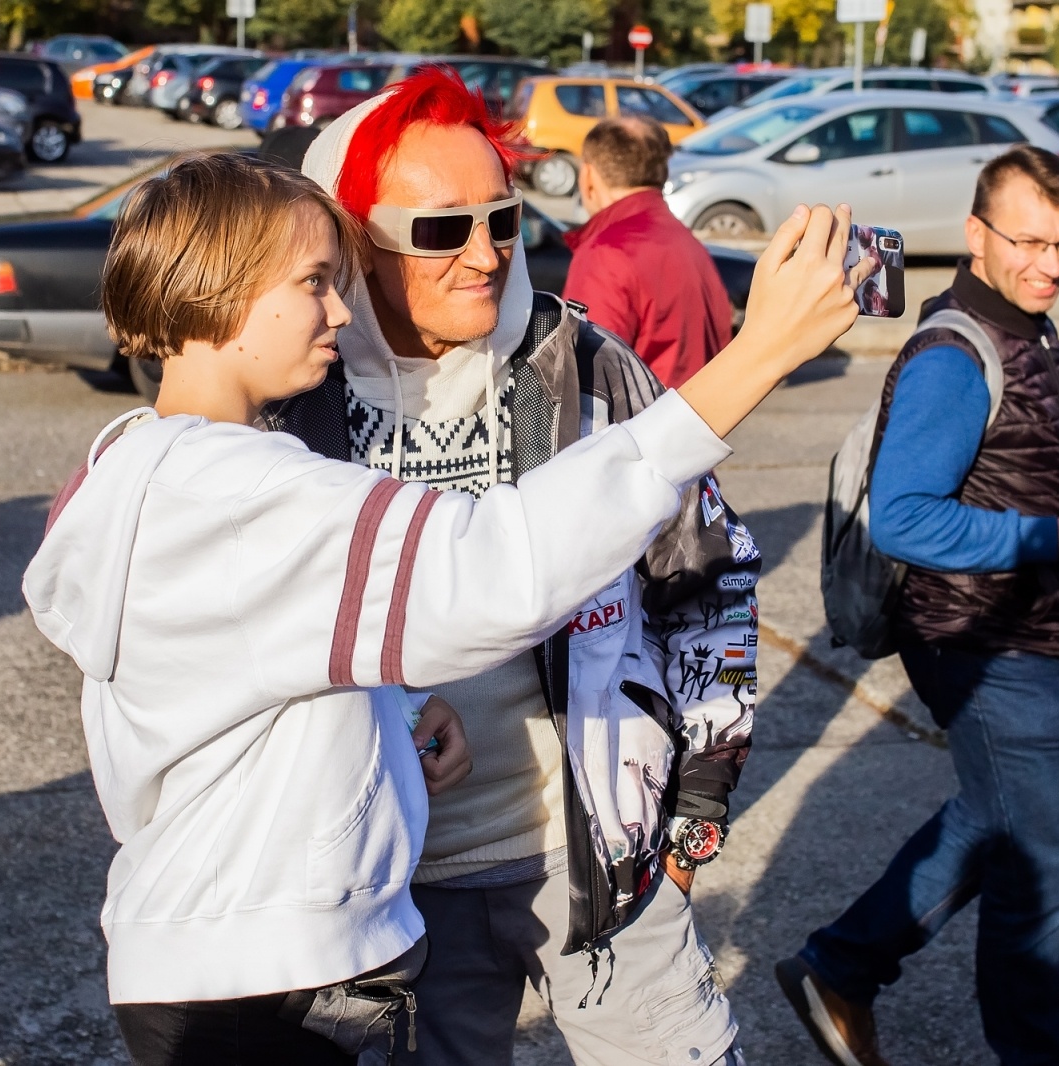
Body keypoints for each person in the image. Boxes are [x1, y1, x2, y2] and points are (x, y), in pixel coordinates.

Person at [23, 151, 870, 1065]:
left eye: (501, 217)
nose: (339, 310)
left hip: (195, 951)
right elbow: (498, 569)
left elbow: (243, 672)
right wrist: (763, 351)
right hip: (268, 979)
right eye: (314, 282)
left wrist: (388, 715)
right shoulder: (252, 494)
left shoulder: (136, 467)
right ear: (221, 293)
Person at [277, 67, 771, 1066]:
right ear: (352, 240)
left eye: (500, 218)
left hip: (599, 859)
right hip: (390, 891)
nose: (484, 254)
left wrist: (692, 813)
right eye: (439, 229)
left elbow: (708, 578)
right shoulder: (296, 405)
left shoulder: (582, 370)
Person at [774, 145, 1059, 1066]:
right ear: (976, 236)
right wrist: (1053, 539)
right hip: (983, 644)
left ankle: (840, 967)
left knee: (996, 818)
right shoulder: (956, 353)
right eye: (1029, 240)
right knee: (1046, 867)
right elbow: (903, 520)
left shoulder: (1027, 321)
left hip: (1021, 633)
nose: (1052, 264)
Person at [561, 115, 734, 387]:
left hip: (639, 424)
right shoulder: (685, 242)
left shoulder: (605, 253)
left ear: (589, 176)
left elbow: (585, 379)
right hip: (692, 419)